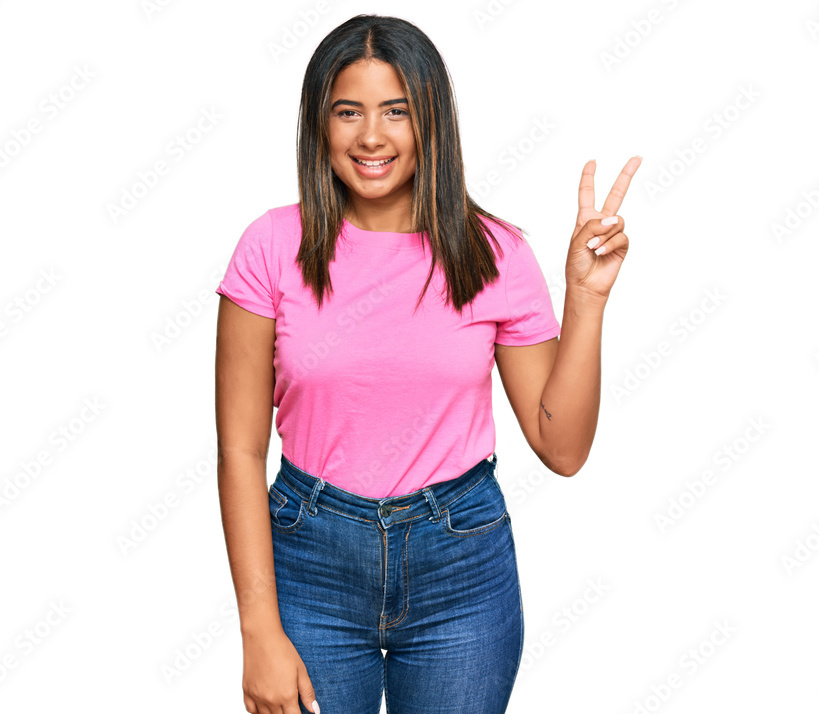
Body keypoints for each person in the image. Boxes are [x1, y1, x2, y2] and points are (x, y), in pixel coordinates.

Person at [214, 13, 640, 714]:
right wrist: (258, 630)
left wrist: (585, 299)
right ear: (318, 124)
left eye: (397, 112)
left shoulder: (495, 254)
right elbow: (238, 449)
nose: (372, 136)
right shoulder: (269, 247)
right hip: (310, 563)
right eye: (348, 111)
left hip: (460, 567)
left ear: (430, 123)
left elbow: (563, 449)